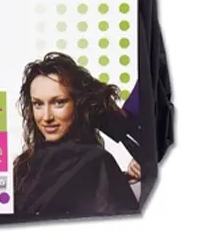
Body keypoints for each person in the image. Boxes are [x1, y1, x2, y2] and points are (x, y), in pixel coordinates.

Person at [13, 52, 140, 218]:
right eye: (38, 104)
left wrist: (118, 179)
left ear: (78, 103)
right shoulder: (24, 166)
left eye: (59, 102)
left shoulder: (96, 161)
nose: (46, 117)